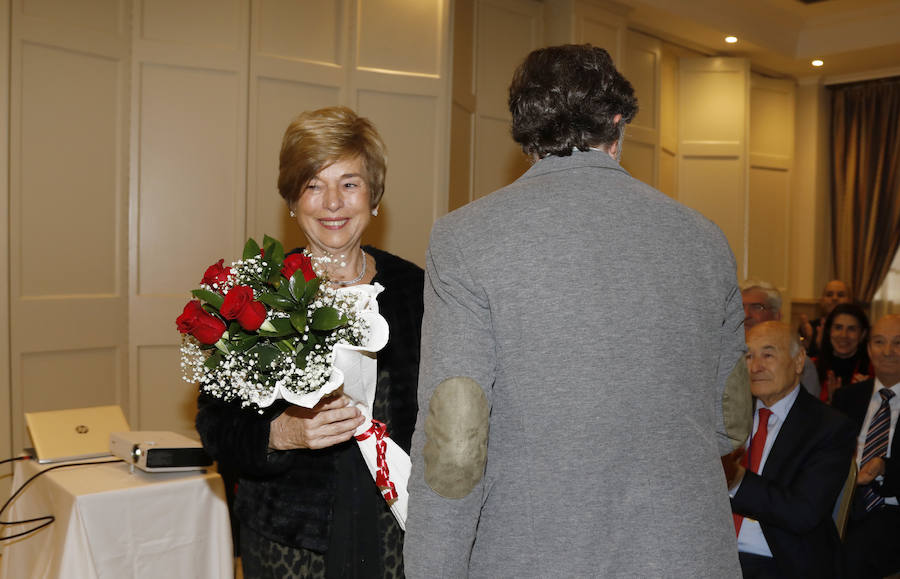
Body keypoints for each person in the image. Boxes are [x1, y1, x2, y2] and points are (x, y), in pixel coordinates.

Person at [404, 44, 750, 578]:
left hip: (536, 553)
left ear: (525, 133)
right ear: (618, 123)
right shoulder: (705, 240)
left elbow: (455, 442)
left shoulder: (467, 239)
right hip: (685, 552)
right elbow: (731, 423)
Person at [196, 106, 424, 578]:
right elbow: (215, 428)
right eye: (314, 184)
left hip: (398, 528)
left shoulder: (419, 291)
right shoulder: (254, 293)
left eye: (350, 183)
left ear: (374, 196)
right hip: (289, 541)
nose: (333, 203)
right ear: (292, 200)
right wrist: (282, 434)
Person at [724, 322, 856, 578]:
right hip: (713, 552)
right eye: (748, 355)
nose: (755, 366)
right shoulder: (726, 415)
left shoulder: (829, 427)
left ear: (798, 361)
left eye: (768, 354)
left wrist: (736, 477)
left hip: (779, 562)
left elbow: (802, 512)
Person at [832, 314, 900, 578]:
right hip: (844, 504)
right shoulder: (847, 398)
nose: (888, 351)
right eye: (879, 342)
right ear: (868, 348)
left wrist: (884, 466)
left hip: (891, 509)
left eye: (897, 343)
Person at [741, 280, 820, 397]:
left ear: (776, 315)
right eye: (740, 307)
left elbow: (809, 412)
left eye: (756, 307)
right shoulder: (724, 358)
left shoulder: (796, 361)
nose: (745, 315)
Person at [814, 303, 873, 403]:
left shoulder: (873, 371)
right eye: (838, 327)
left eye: (852, 329)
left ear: (863, 334)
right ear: (829, 331)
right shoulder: (812, 366)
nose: (844, 335)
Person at [799, 280, 852, 356]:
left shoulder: (856, 330)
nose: (834, 298)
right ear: (822, 301)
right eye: (829, 295)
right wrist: (809, 341)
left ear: (849, 300)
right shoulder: (809, 328)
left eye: (840, 295)